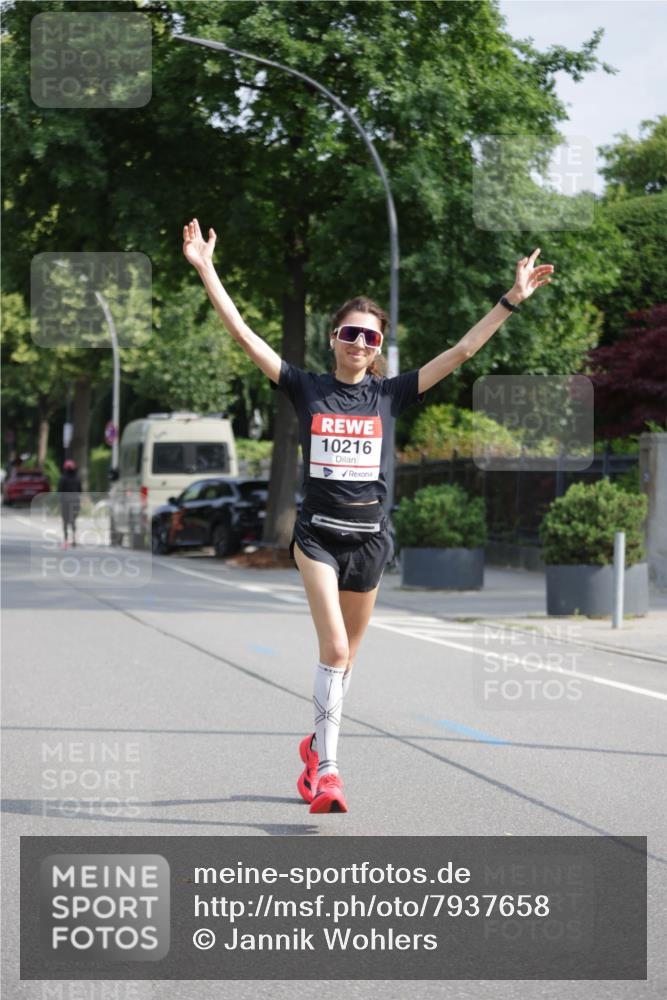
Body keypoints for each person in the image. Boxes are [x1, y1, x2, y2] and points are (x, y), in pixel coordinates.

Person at [183, 217, 554, 814]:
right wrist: (207, 269)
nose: (360, 343)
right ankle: (329, 773)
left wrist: (511, 299)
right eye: (351, 333)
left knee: (347, 659)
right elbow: (246, 335)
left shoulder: (390, 394)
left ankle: (314, 747)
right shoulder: (306, 387)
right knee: (333, 648)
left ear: (378, 348)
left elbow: (462, 351)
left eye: (371, 338)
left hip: (371, 542)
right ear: (334, 337)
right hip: (318, 538)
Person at [57, 459, 82, 548]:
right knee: (73, 520)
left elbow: (59, 492)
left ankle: (66, 540)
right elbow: (80, 491)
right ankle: (74, 540)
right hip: (75, 502)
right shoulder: (77, 479)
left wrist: (59, 503)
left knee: (65, 521)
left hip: (65, 502)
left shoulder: (62, 479)